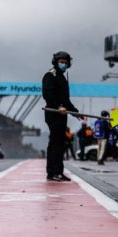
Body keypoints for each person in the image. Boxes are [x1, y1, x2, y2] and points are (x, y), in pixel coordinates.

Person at [42, 51, 77, 181]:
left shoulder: (63, 77)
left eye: (66, 63)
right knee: (55, 143)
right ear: (56, 62)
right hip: (53, 113)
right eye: (61, 62)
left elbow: (65, 99)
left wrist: (74, 111)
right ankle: (53, 171)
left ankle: (58, 171)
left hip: (62, 114)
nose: (64, 64)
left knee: (60, 143)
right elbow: (48, 95)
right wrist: (58, 106)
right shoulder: (50, 75)